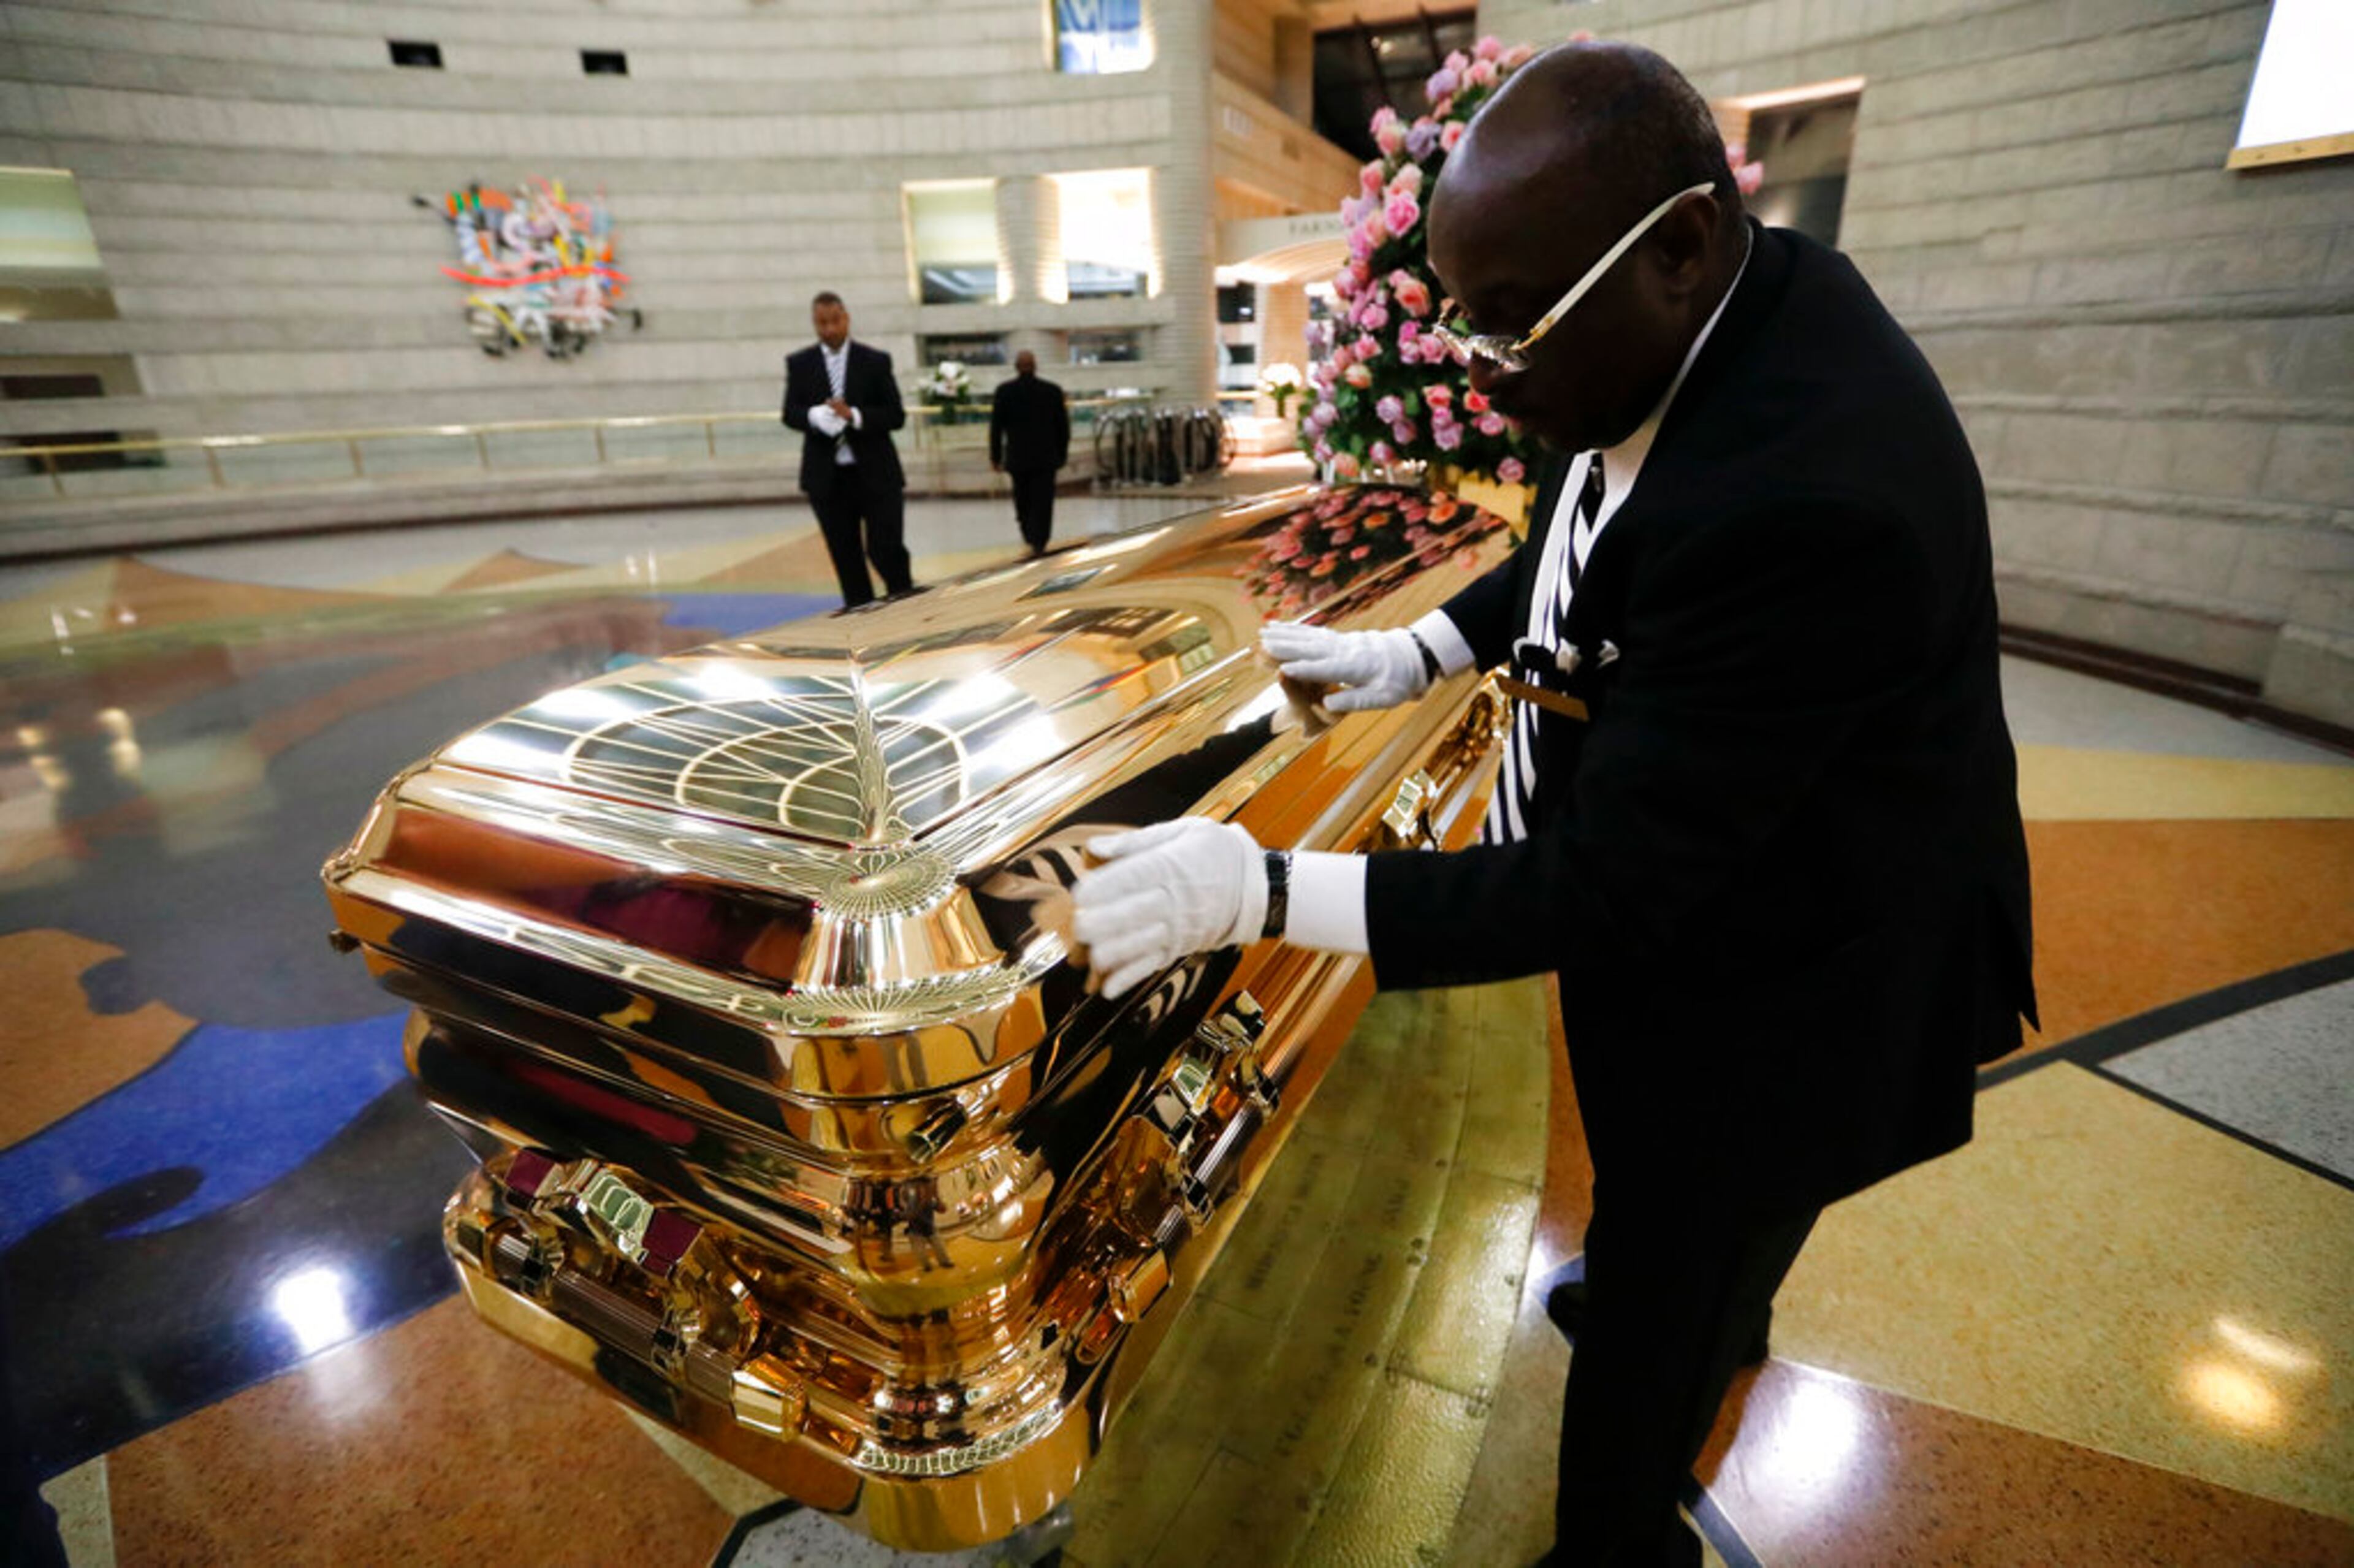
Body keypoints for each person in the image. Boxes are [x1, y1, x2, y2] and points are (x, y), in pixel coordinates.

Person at [1067, 40, 2035, 1568]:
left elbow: (1612, 882)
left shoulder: (1808, 502)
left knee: (1669, 1251)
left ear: (1677, 249)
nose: (1479, 365)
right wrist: (1422, 647)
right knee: (1691, 1227)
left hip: (1796, 967)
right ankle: (1718, 1295)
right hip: (1726, 895)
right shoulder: (1694, 331)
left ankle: (1617, 1531)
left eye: (1511, 322)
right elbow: (1594, 529)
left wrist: (1253, 889)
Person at [782, 291, 913, 607]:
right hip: (828, 478)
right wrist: (813, 416)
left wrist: (853, 416)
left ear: (847, 319)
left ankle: (906, 602)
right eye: (821, 323)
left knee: (886, 547)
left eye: (834, 321)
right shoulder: (800, 364)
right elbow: (790, 413)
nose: (828, 329)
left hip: (876, 473)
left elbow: (895, 416)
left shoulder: (875, 361)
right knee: (845, 554)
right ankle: (861, 616)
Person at [989, 350, 1072, 555]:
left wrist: (996, 457)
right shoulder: (1052, 391)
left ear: (1016, 367)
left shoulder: (1004, 392)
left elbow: (996, 428)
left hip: (1019, 458)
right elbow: (1063, 428)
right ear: (1035, 367)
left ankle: (1028, 533)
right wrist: (1062, 454)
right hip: (1046, 458)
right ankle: (1040, 539)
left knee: (1023, 499)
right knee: (1044, 501)